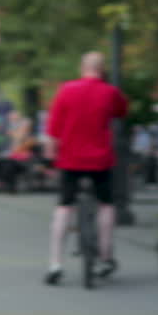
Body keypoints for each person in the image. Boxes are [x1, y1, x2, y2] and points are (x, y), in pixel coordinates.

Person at [43, 51, 128, 285]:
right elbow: (122, 111)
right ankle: (104, 255)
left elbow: (53, 129)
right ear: (102, 69)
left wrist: (51, 153)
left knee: (64, 207)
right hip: (100, 159)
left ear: (82, 67)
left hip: (70, 159)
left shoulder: (66, 90)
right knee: (106, 205)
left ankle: (55, 263)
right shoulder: (110, 92)